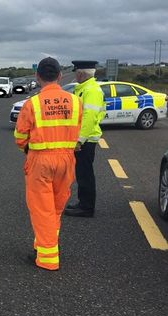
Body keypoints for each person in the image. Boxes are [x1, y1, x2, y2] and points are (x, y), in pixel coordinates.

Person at [14, 57, 83, 271]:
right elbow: (77, 130)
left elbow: (20, 135)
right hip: (66, 159)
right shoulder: (75, 101)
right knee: (55, 207)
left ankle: (47, 258)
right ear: (60, 76)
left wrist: (27, 149)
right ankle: (45, 244)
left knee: (42, 210)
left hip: (41, 160)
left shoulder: (32, 103)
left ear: (37, 76)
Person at [64, 60, 106, 217]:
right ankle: (83, 203)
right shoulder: (84, 89)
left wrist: (79, 140)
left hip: (86, 141)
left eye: (76, 72)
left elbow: (89, 117)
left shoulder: (91, 90)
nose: (75, 75)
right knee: (82, 173)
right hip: (85, 139)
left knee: (85, 174)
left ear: (81, 73)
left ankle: (87, 208)